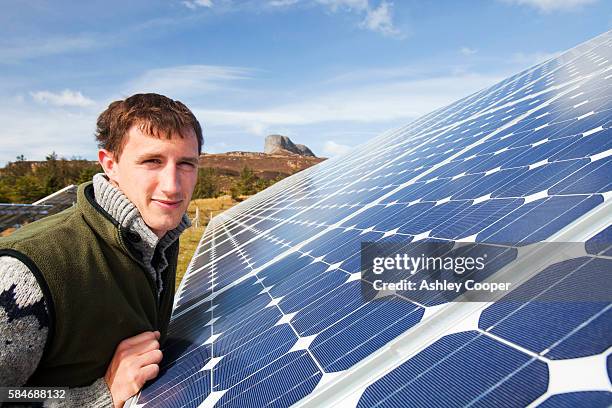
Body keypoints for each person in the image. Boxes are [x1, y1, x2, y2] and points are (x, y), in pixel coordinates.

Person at [0, 93, 202, 407]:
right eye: (152, 161)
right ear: (111, 165)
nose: (173, 186)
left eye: (186, 164)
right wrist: (99, 395)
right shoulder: (25, 275)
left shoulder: (157, 242)